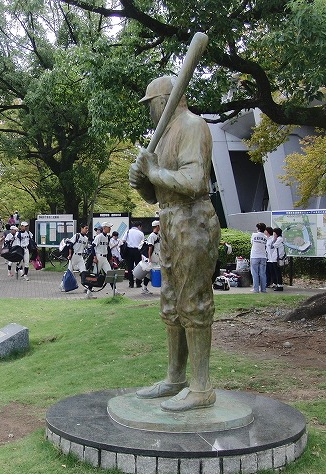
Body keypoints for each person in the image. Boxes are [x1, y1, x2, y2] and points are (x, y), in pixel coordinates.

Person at [129, 76, 220, 412]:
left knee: (193, 303)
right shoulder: (163, 137)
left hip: (192, 222)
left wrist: (153, 172)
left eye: (150, 103)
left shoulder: (192, 126)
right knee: (170, 303)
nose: (149, 111)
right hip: (169, 221)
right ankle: (175, 378)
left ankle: (201, 387)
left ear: (166, 99)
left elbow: (195, 181)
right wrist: (142, 182)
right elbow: (158, 192)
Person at [60, 224, 90, 292]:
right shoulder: (77, 235)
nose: (87, 230)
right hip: (74, 256)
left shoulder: (86, 238)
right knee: (69, 271)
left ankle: (87, 287)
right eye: (85, 228)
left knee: (83, 271)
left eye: (87, 229)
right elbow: (71, 245)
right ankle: (62, 285)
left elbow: (85, 247)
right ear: (82, 228)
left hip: (80, 257)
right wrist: (70, 254)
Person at [141, 220, 161, 295]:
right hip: (153, 256)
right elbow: (150, 247)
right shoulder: (152, 236)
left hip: (157, 256)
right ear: (157, 226)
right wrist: (149, 258)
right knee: (149, 272)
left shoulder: (157, 235)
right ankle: (144, 287)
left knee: (150, 273)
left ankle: (144, 287)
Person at [122, 221, 145, 288]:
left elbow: (123, 240)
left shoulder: (128, 231)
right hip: (137, 251)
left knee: (130, 267)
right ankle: (138, 283)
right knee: (139, 267)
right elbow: (142, 244)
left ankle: (131, 283)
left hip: (129, 250)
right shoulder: (141, 233)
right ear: (139, 226)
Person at [250, 222, 268, 293]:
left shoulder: (254, 235)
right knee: (262, 273)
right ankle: (263, 289)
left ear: (258, 228)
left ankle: (256, 289)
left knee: (255, 273)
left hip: (254, 256)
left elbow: (252, 242)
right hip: (263, 256)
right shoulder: (266, 237)